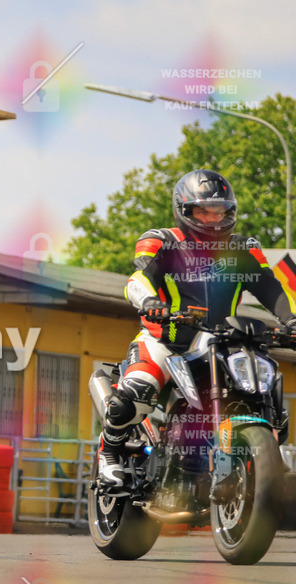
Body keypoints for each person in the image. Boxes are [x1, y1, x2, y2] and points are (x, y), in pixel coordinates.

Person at [97, 169, 296, 490]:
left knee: (267, 380)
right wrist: (150, 301)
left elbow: (270, 288)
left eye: (220, 210)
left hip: (223, 342)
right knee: (136, 392)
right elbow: (139, 279)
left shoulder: (242, 249)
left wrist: (291, 321)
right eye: (204, 210)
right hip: (166, 340)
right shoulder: (164, 243)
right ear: (184, 210)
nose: (213, 218)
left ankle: (262, 455)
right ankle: (110, 451)